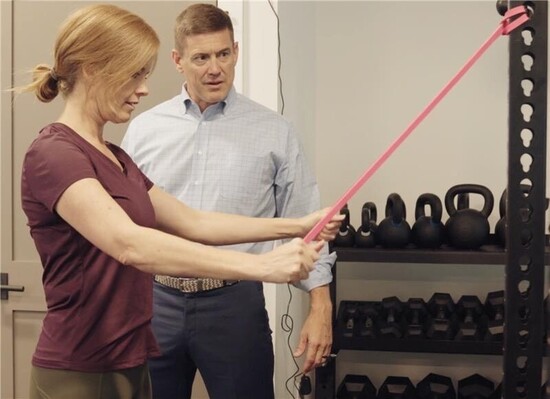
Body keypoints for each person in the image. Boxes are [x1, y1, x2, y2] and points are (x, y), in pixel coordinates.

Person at [17, 4, 342, 399]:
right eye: (135, 74)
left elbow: (193, 222)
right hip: (81, 364)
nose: (144, 89)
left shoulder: (113, 157)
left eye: (223, 54)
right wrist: (262, 265)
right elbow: (131, 244)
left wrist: (296, 224)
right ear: (93, 70)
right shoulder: (55, 153)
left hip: (129, 356)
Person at [121, 3, 338, 398]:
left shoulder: (275, 132)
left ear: (235, 51)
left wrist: (320, 308)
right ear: (178, 60)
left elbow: (308, 223)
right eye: (201, 57)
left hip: (235, 304)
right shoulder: (143, 131)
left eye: (223, 54)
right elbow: (124, 226)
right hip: (156, 303)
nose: (214, 68)